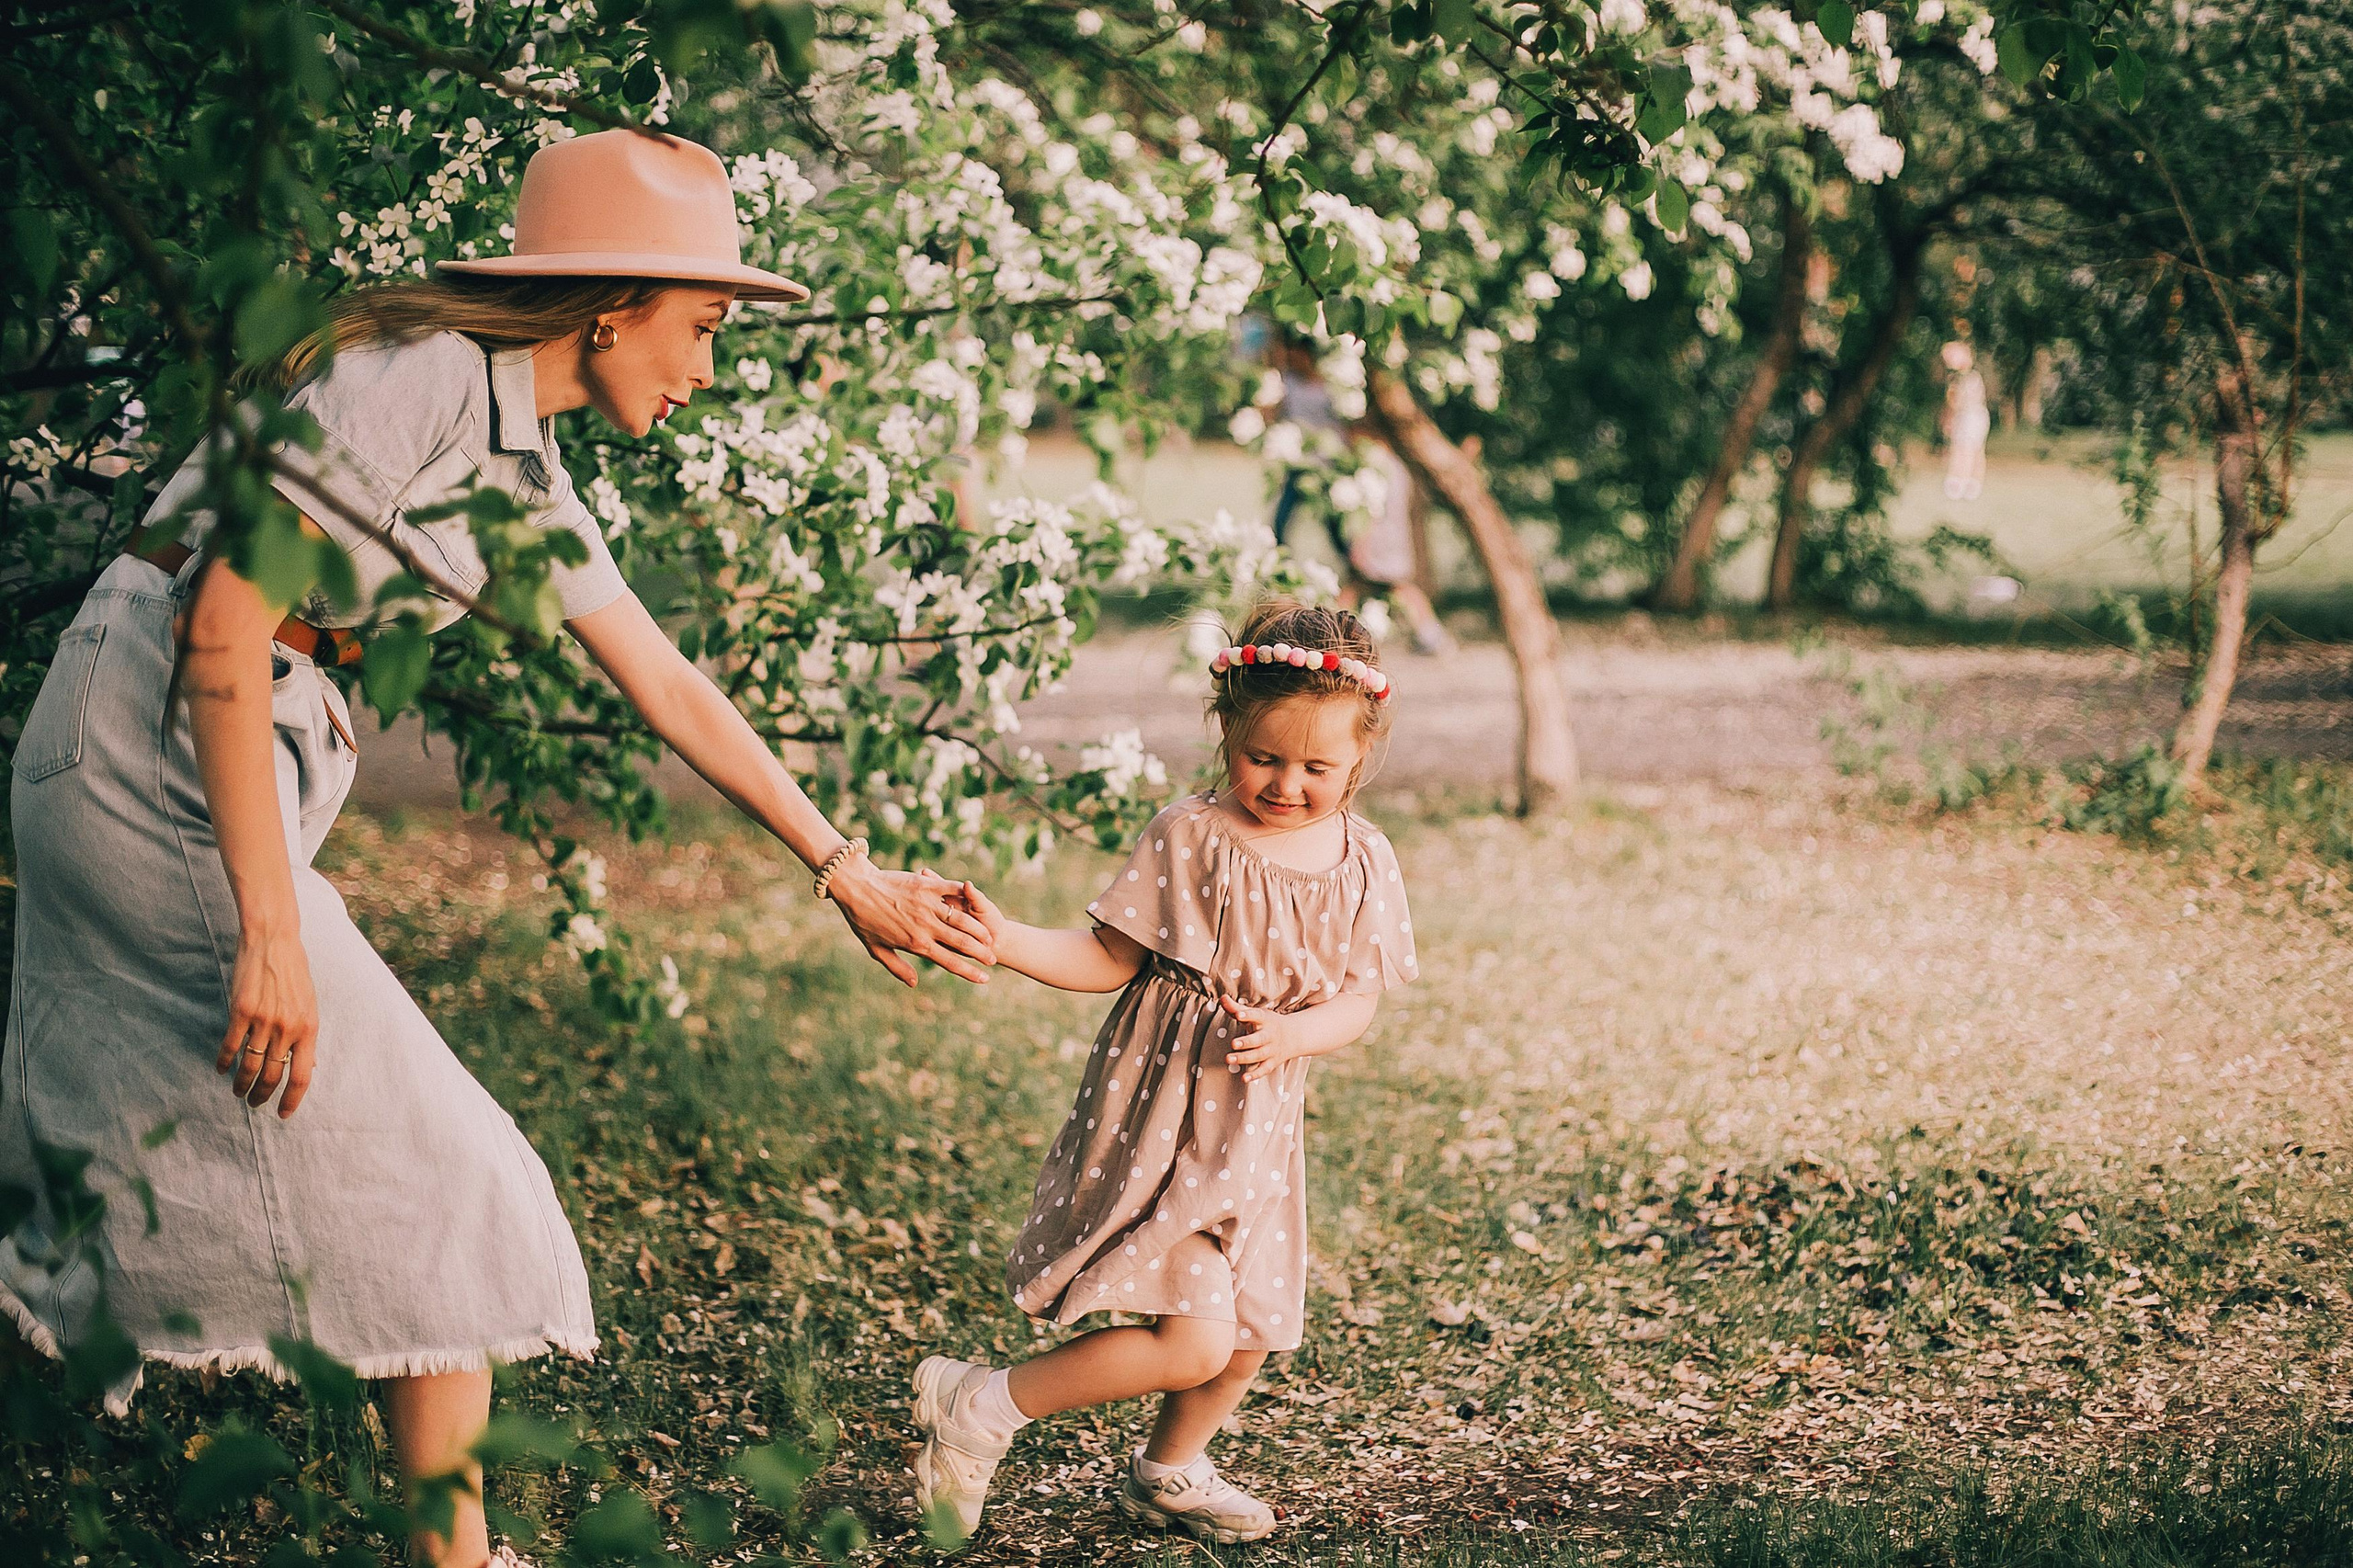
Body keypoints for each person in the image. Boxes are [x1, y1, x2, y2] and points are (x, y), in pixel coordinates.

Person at [0, 130, 994, 1568]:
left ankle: (447, 1552)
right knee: (451, 1161)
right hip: (155, 749)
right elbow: (221, 624)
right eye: (702, 326)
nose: (707, 366)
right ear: (611, 307)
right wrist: (270, 928)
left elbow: (663, 681)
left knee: (358, 1148)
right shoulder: (410, 382)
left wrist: (845, 867)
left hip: (190, 744)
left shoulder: (510, 456)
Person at [907, 600, 1419, 1546]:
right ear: (1225, 729)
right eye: (1264, 756)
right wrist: (1007, 936)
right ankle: (977, 1405)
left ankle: (1166, 1471)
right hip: (1166, 1120)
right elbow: (1109, 955)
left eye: (1316, 766)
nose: (1285, 783)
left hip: (1258, 1129)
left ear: (1360, 756)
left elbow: (1357, 998)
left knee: (1254, 1327)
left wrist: (1298, 1032)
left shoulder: (1362, 859)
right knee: (1194, 1336)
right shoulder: (1191, 835)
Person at [1343, 437, 1454, 655]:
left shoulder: (1375, 469)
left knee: (1364, 586)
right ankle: (1432, 636)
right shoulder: (1398, 466)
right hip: (1395, 537)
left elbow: (1369, 511)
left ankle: (1330, 632)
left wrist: (1360, 544)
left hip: (1380, 540)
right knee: (1394, 587)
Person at [1941, 339, 1990, 501]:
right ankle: (1956, 480)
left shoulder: (1972, 378)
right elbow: (1952, 403)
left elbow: (1966, 401)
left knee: (1973, 449)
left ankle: (1971, 482)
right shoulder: (1954, 379)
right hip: (1962, 417)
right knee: (1959, 448)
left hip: (1973, 416)